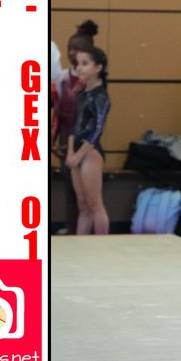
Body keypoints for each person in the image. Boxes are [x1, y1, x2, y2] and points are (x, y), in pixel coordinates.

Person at [52, 20, 101, 234]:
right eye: (70, 48)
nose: (72, 53)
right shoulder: (63, 77)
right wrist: (54, 140)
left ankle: (96, 236)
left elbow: (95, 120)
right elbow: (58, 110)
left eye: (77, 49)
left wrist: (80, 146)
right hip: (67, 136)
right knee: (71, 192)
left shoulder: (94, 82)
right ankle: (73, 230)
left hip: (87, 140)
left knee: (90, 198)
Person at [66, 45, 111, 236]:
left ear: (98, 67)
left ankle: (102, 246)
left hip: (90, 152)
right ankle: (81, 247)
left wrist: (79, 155)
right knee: (83, 206)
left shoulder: (101, 96)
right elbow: (73, 124)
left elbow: (97, 129)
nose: (79, 68)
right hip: (76, 151)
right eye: (78, 64)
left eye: (85, 64)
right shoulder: (81, 94)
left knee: (94, 205)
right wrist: (70, 152)